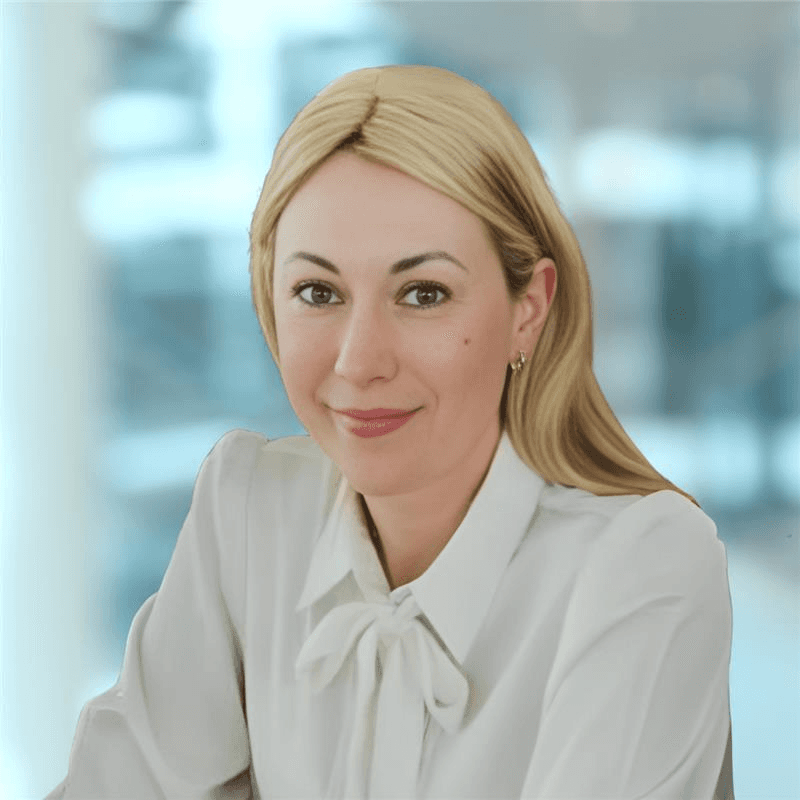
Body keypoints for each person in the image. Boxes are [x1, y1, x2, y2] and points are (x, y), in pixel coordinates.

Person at [46, 64, 734, 799]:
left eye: (422, 293)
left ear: (527, 307)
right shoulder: (249, 511)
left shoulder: (645, 564)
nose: (359, 360)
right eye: (318, 293)